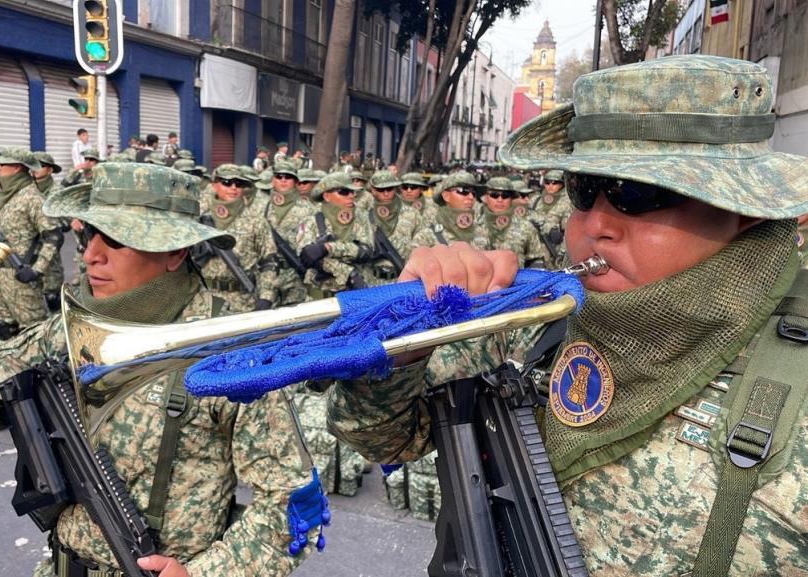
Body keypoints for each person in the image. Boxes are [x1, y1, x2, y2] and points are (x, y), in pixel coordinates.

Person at [326, 55, 808, 576]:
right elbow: (380, 437)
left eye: (638, 194)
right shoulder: (540, 314)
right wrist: (409, 341)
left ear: (746, 208)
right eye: (583, 189)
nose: (594, 224)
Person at [0, 162, 319, 577]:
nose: (89, 255)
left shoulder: (230, 350)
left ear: (176, 251)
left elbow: (292, 499)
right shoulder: (71, 327)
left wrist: (208, 574)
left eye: (116, 239)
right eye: (89, 234)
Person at [0, 148, 61, 340]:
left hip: (21, 277)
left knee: (35, 335)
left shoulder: (32, 197)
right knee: (6, 330)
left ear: (17, 168)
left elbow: (54, 236)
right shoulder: (7, 196)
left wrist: (36, 269)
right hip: (1, 276)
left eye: (2, 165)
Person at [195, 164, 278, 312]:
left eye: (239, 184)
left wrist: (266, 297)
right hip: (204, 298)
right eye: (227, 182)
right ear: (214, 184)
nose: (233, 187)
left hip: (243, 300)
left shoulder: (256, 220)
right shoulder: (199, 218)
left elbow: (269, 261)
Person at [297, 173, 373, 298]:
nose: (351, 196)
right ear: (327, 196)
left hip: (355, 295)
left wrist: (328, 248)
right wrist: (347, 272)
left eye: (352, 192)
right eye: (344, 192)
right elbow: (308, 256)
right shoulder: (312, 220)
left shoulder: (362, 217)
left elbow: (365, 252)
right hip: (319, 296)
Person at [362, 170, 430, 286]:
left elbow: (425, 246)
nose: (386, 193)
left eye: (390, 189)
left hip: (402, 280)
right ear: (373, 190)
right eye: (381, 190)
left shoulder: (412, 214)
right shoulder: (364, 214)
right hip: (369, 282)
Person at [263, 161, 315, 305]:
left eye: (288, 177)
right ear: (273, 180)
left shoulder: (308, 209)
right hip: (266, 276)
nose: (283, 180)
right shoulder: (261, 206)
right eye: (279, 176)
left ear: (296, 182)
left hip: (295, 275)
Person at [473, 176, 549, 269]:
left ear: (511, 199)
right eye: (494, 195)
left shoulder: (525, 227)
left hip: (517, 281)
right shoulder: (473, 226)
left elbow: (536, 259)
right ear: (486, 197)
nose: (500, 200)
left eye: (505, 196)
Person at [32, 151, 67, 311]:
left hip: (49, 249)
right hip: (27, 250)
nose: (36, 169)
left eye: (41, 165)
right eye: (33, 164)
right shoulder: (26, 189)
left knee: (52, 296)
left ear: (50, 170)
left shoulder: (57, 192)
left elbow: (66, 220)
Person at [428, 172, 484, 246]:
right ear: (446, 196)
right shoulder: (428, 237)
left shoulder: (482, 233)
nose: (471, 197)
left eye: (474, 193)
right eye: (463, 191)